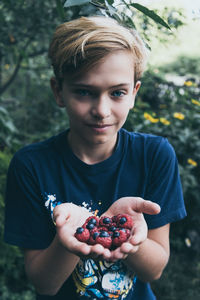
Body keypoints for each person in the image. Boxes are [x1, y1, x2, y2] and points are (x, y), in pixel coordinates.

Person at [4, 16, 186, 300]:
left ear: (134, 94)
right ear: (59, 91)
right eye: (84, 92)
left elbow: (155, 270)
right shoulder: (31, 166)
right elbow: (44, 284)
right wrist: (70, 239)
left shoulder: (155, 155)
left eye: (117, 93)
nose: (102, 110)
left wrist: (131, 237)